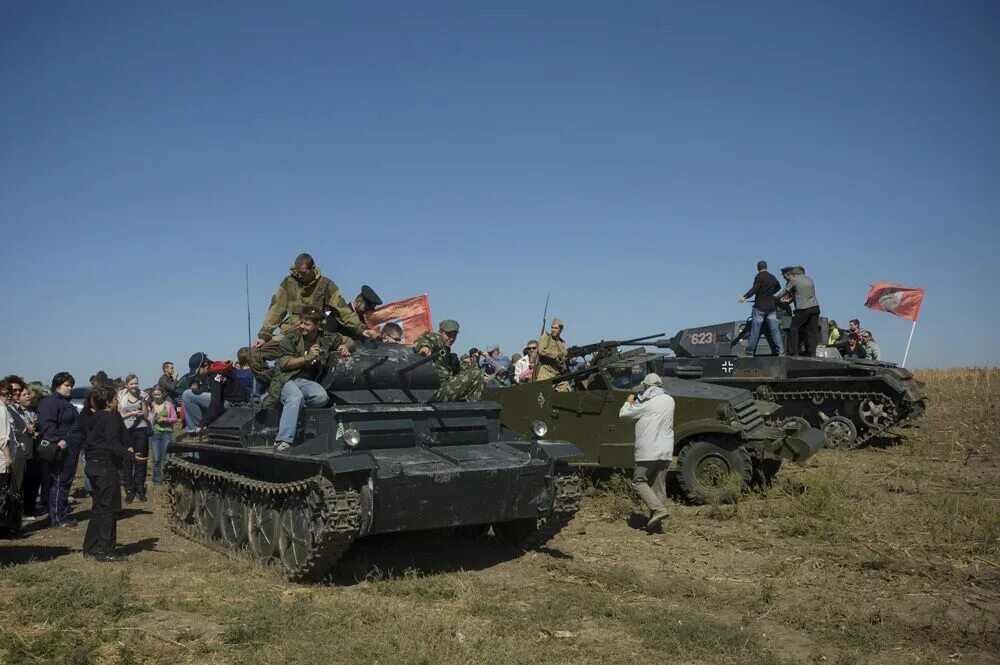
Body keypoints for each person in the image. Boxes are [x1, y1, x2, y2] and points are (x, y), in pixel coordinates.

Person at [250, 253, 375, 384]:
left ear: (312, 269)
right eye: (298, 272)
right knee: (254, 355)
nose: (300, 275)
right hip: (288, 335)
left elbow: (342, 309)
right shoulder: (288, 283)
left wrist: (361, 329)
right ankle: (276, 386)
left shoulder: (326, 285)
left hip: (313, 338)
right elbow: (276, 309)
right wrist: (265, 335)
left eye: (303, 272)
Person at [270, 305, 354, 451]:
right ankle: (283, 441)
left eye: (307, 324)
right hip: (286, 379)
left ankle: (297, 418)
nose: (302, 326)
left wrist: (346, 346)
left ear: (317, 325)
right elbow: (284, 364)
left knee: (321, 397)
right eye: (301, 322)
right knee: (295, 397)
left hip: (306, 381)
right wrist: (307, 358)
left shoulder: (326, 338)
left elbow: (350, 341)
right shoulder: (291, 338)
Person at [83, 386, 145, 562]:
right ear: (109, 402)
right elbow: (111, 442)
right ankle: (105, 550)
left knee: (98, 507)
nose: (118, 401)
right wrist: (131, 456)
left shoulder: (93, 417)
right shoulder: (109, 417)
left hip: (93, 465)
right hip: (104, 467)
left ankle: (91, 547)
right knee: (109, 509)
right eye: (116, 399)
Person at [618, 373, 675, 532]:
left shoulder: (646, 404)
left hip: (648, 451)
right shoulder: (670, 400)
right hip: (665, 451)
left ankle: (659, 510)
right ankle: (657, 524)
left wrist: (628, 403)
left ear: (646, 387)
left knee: (639, 482)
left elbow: (624, 415)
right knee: (659, 486)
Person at [36, 372, 79, 527]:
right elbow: (46, 424)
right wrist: (57, 440)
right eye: (67, 385)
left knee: (65, 482)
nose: (70, 389)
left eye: (71, 386)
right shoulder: (50, 402)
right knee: (60, 481)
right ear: (57, 385)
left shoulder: (66, 402)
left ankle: (61, 513)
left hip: (71, 449)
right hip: (60, 449)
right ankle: (57, 518)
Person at [413, 320, 484, 402]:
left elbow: (462, 369)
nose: (451, 338)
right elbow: (425, 339)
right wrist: (425, 346)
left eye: (454, 335)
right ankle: (474, 408)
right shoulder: (437, 339)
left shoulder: (447, 351)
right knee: (476, 373)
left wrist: (475, 362)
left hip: (443, 389)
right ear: (440, 332)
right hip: (437, 392)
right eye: (448, 334)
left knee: (477, 372)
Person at [181, 353, 251, 435]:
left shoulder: (216, 376)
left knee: (187, 395)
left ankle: (195, 431)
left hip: (229, 404)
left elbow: (215, 403)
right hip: (233, 401)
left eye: (198, 371)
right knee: (194, 394)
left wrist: (202, 424)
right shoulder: (217, 368)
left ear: (206, 365)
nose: (198, 375)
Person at [738, 260, 785, 356]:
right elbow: (779, 287)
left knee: (755, 330)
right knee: (775, 330)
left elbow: (755, 289)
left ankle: (750, 352)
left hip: (759, 307)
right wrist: (770, 293)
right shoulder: (772, 277)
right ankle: (781, 351)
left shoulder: (759, 276)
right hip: (771, 308)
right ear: (766, 267)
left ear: (758, 268)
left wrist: (745, 296)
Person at [117, 375, 150, 503]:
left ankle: (140, 489)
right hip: (127, 431)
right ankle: (129, 490)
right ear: (127, 385)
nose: (134, 386)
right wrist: (132, 414)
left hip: (141, 429)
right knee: (128, 460)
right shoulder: (121, 396)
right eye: (131, 384)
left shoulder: (143, 395)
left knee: (141, 459)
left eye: (136, 383)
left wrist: (143, 402)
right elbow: (120, 415)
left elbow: (146, 416)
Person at [777, 267, 821, 357]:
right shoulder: (810, 279)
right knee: (812, 330)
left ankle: (794, 352)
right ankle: (812, 352)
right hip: (815, 307)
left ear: (795, 274)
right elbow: (800, 294)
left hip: (803, 309)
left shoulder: (794, 280)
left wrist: (777, 298)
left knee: (794, 328)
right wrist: (789, 301)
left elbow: (785, 291)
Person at [148, 386, 177, 485]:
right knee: (156, 459)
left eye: (158, 394)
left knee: (166, 457)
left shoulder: (168, 405)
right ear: (152, 395)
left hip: (166, 433)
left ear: (162, 395)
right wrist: (153, 418)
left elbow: (175, 418)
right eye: (155, 395)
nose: (156, 397)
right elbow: (147, 419)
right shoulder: (150, 406)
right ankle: (156, 481)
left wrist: (165, 419)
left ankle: (166, 479)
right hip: (155, 433)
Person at [0, 381, 18, 533]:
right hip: (2, 460)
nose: (8, 397)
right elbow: (2, 438)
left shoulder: (5, 409)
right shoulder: (1, 410)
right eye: (5, 394)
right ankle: (4, 526)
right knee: (3, 495)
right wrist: (8, 457)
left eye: (9, 393)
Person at [535, 319, 570, 391]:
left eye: (556, 328)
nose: (553, 330)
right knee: (542, 395)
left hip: (557, 373)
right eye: (552, 327)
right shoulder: (546, 337)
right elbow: (541, 351)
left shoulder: (562, 343)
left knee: (565, 391)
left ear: (561, 329)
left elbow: (563, 359)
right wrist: (558, 354)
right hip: (545, 372)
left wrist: (568, 357)